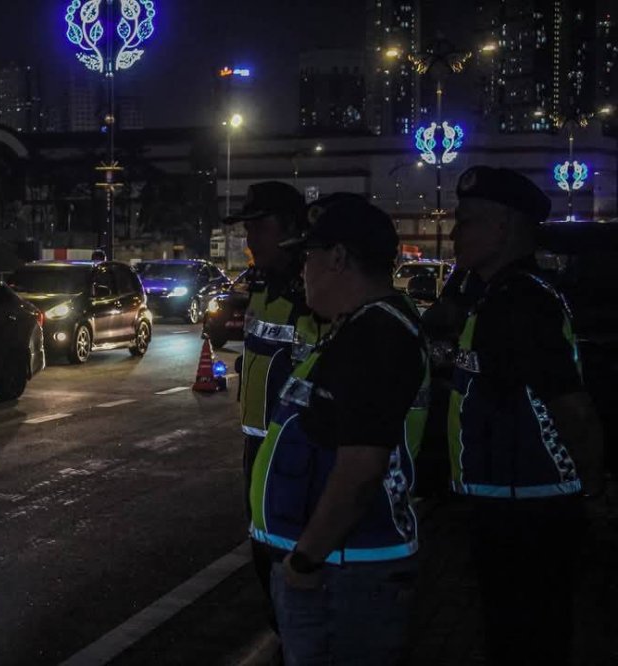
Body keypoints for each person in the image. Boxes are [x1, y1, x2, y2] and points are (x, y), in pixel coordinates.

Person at [249, 194, 428, 665]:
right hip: (340, 565)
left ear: (338, 258)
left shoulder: (376, 336)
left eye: (308, 256)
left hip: (343, 572)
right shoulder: (358, 328)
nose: (301, 268)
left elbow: (360, 467)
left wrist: (305, 560)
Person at [446, 166, 604, 665]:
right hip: (505, 504)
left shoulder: (523, 302)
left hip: (530, 512)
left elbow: (572, 409)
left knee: (527, 637)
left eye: (467, 220)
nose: (454, 232)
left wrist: (592, 490)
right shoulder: (493, 294)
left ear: (503, 227)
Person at [223, 181, 321, 612]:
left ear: (292, 229)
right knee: (264, 550)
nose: (251, 240)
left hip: (300, 449)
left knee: (294, 563)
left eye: (259, 228)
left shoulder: (313, 289)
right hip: (259, 444)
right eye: (248, 229)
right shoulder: (263, 283)